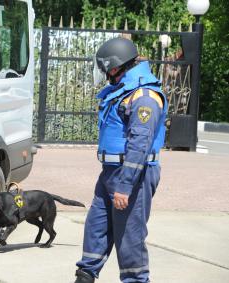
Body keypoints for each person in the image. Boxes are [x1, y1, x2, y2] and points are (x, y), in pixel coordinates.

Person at [74, 37, 167, 283]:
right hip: (110, 172)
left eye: (106, 69)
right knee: (96, 230)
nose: (105, 74)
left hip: (133, 174)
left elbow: (140, 145)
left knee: (129, 239)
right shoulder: (123, 92)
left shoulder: (145, 96)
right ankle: (84, 276)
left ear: (115, 67)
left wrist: (125, 186)